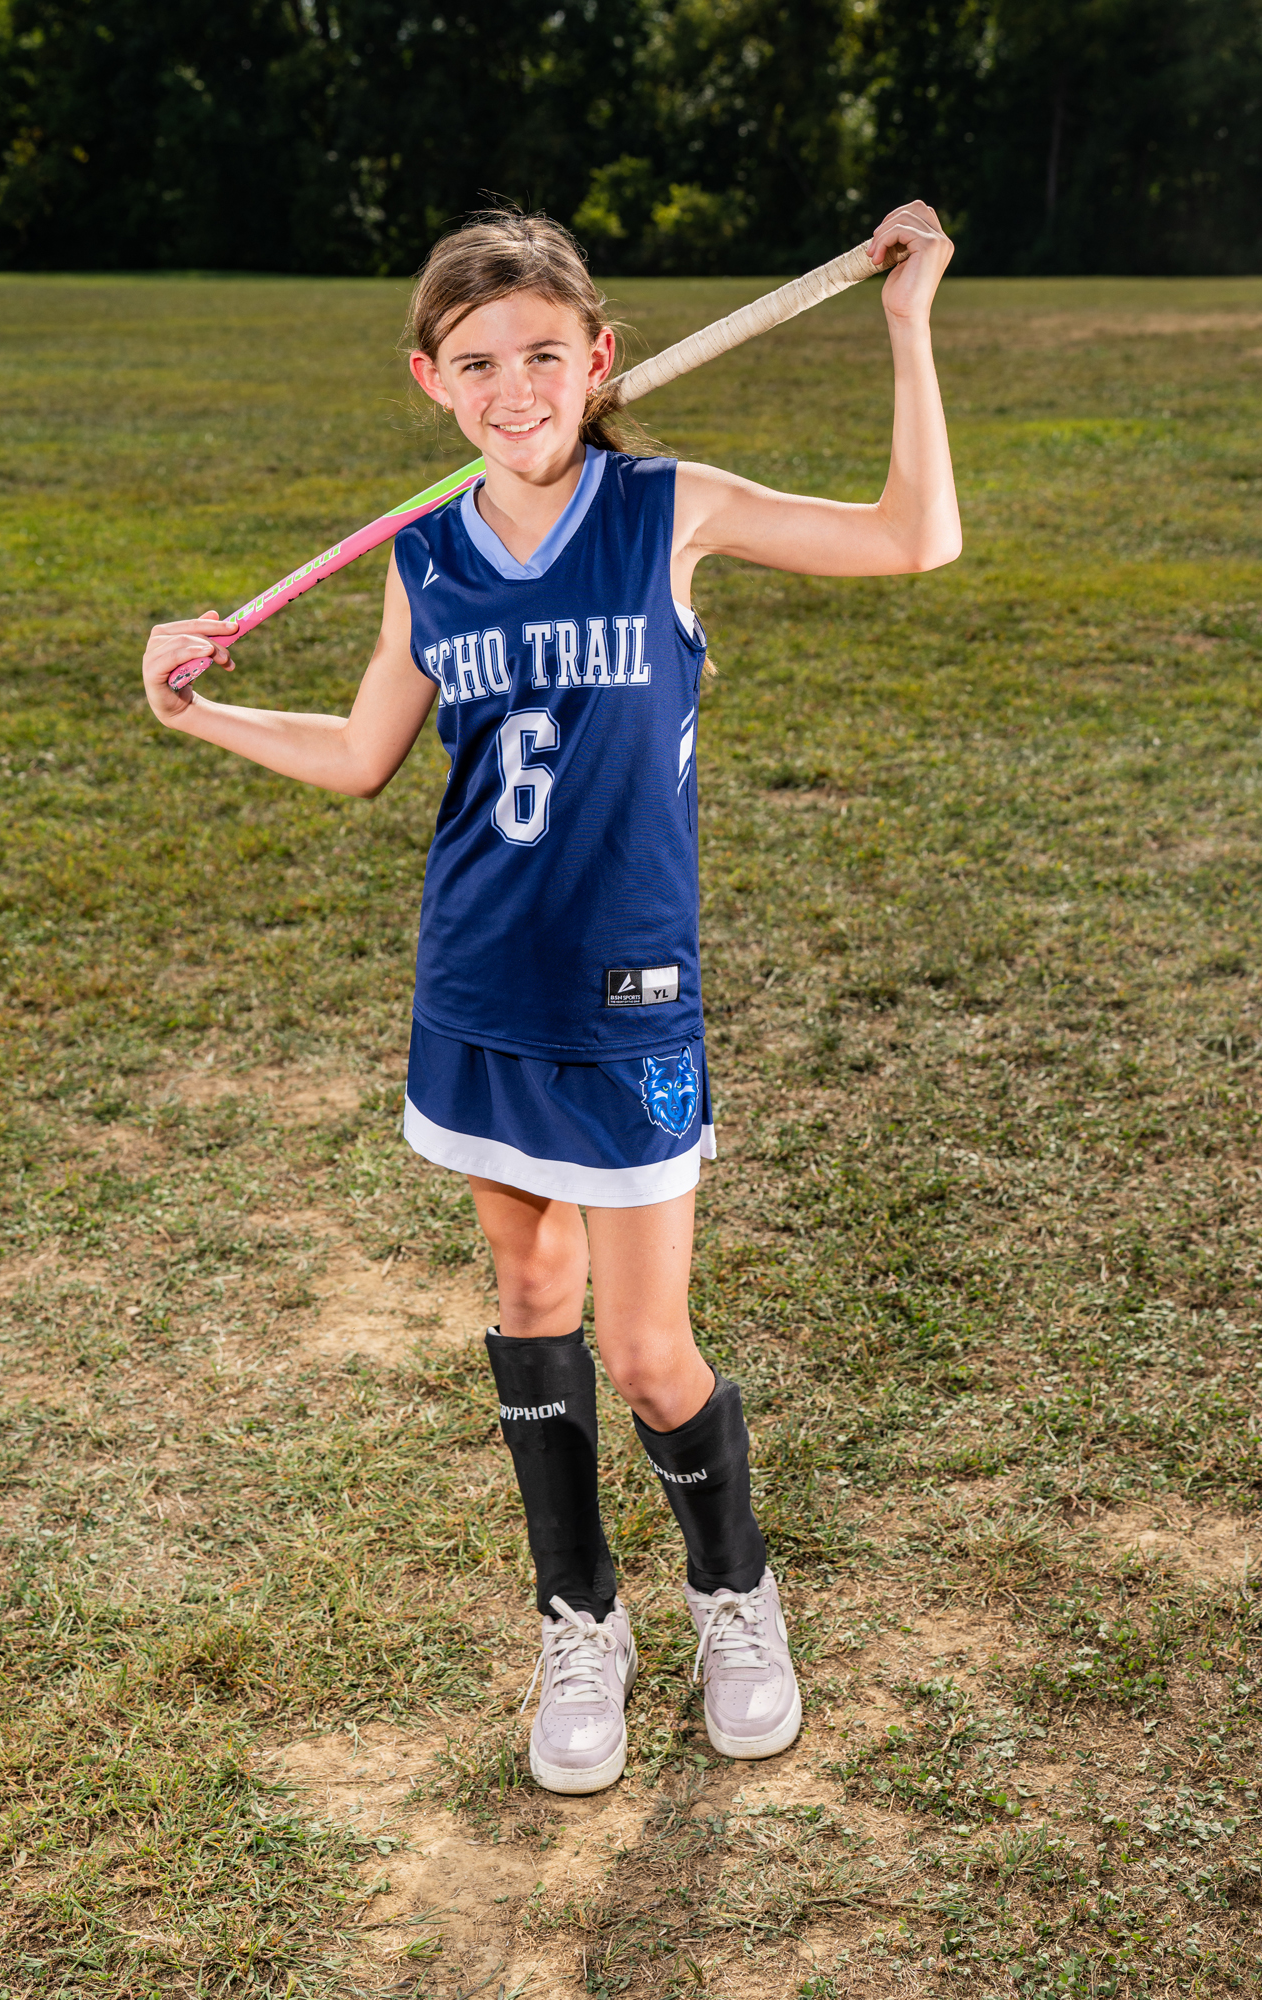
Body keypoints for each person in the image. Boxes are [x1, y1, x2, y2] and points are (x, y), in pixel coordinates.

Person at [142, 203, 960, 1797]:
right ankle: (579, 1619)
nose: (510, 388)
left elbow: (909, 537)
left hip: (627, 998)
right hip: (477, 988)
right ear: (428, 380)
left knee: (648, 1351)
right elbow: (364, 756)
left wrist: (906, 319)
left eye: (539, 355)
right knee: (530, 1302)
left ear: (596, 360)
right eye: (475, 363)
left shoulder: (665, 508)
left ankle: (733, 1598)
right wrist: (202, 714)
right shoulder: (427, 556)